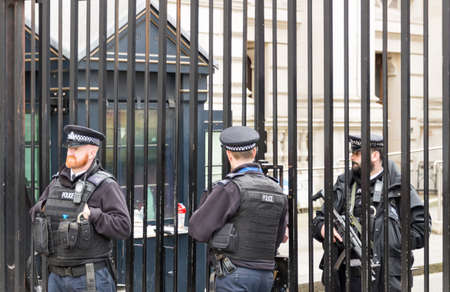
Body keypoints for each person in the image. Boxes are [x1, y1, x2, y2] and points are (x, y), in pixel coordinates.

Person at [312, 134, 429, 292]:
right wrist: (324, 228)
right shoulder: (344, 183)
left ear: (374, 155)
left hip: (385, 278)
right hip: (346, 279)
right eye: (352, 153)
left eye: (357, 153)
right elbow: (318, 219)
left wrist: (391, 241)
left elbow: (422, 227)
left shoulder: (398, 186)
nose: (352, 157)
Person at [30, 125, 131, 292]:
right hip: (55, 276)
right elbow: (34, 213)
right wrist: (43, 206)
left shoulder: (106, 185)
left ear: (91, 153)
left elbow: (124, 227)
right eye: (69, 148)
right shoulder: (57, 182)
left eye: (76, 149)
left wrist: (93, 214)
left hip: (90, 277)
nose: (70, 152)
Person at [189, 126, 288, 292]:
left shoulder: (230, 188)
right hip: (266, 276)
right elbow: (278, 236)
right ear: (255, 152)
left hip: (234, 274)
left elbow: (198, 229)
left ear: (228, 154)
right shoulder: (277, 189)